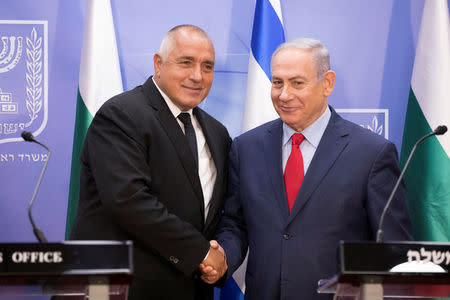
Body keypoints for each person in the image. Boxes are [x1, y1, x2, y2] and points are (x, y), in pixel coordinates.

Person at [203, 38, 412, 299]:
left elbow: (393, 250)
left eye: (297, 83)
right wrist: (223, 256)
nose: (284, 94)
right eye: (278, 82)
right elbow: (236, 223)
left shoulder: (372, 153)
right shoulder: (246, 148)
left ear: (328, 83)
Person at [70, 25, 230, 300]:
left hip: (189, 289)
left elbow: (219, 214)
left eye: (207, 66)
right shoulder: (121, 115)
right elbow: (128, 200)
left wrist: (220, 259)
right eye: (186, 63)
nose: (197, 76)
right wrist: (201, 253)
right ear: (158, 63)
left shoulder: (217, 133)